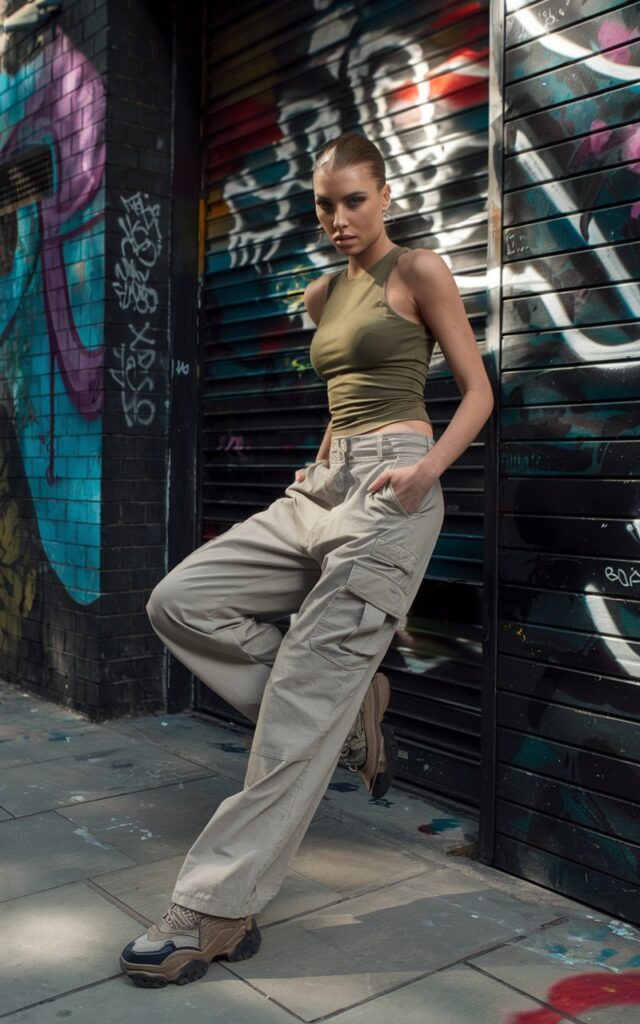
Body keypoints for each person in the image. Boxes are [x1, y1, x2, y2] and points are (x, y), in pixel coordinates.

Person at [119, 130, 494, 987]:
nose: (338, 218)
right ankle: (348, 707)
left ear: (385, 195)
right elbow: (341, 396)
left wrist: (426, 471)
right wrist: (318, 460)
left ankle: (213, 910)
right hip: (323, 489)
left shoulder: (418, 271)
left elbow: (478, 391)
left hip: (393, 489)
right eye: (325, 204)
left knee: (296, 709)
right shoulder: (324, 291)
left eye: (354, 200)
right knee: (179, 600)